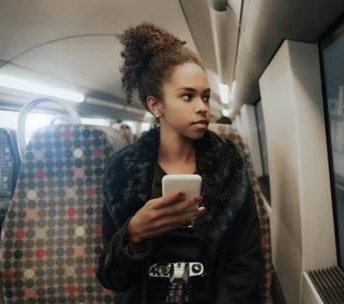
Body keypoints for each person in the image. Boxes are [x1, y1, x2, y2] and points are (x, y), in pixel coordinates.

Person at [96, 22, 262, 304]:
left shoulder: (229, 161)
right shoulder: (123, 171)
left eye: (206, 97)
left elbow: (244, 261)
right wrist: (133, 233)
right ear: (156, 105)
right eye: (188, 96)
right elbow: (112, 278)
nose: (203, 107)